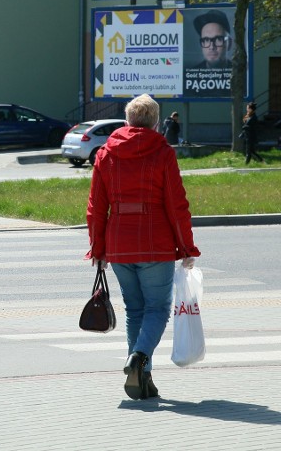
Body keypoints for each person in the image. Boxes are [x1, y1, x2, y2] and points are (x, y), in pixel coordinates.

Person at [86, 94, 200, 400]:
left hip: (119, 242)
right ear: (155, 123)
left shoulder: (106, 153)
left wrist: (97, 248)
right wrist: (187, 247)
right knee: (158, 309)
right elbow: (176, 206)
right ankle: (138, 357)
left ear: (127, 121)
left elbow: (96, 207)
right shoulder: (162, 152)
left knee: (135, 310)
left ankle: (142, 379)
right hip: (156, 244)